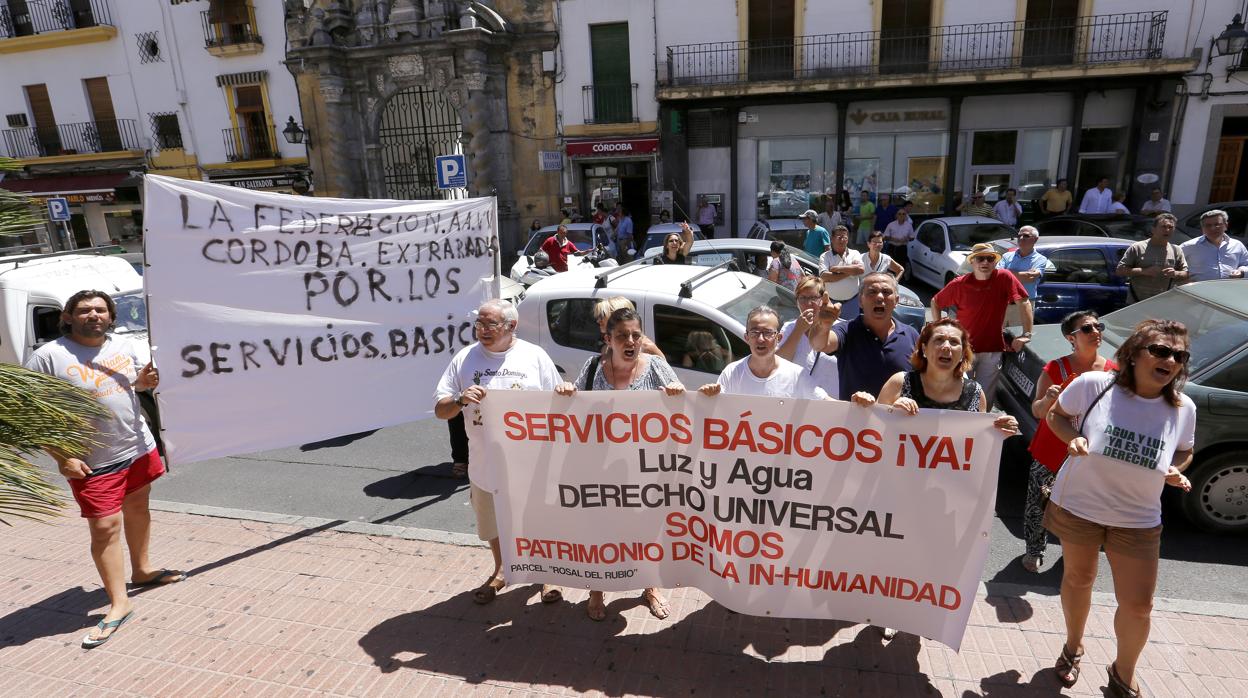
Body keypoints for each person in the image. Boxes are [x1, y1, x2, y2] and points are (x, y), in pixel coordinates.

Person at [1043, 319, 1195, 697]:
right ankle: (1073, 646)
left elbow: (1184, 449)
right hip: (1080, 503)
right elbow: (1056, 415)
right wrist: (1073, 438)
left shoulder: (1183, 407)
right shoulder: (1095, 385)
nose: (1170, 360)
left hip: (1138, 517)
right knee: (1079, 578)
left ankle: (1123, 672)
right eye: (1160, 351)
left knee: (1139, 605)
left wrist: (1175, 468)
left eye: (1179, 356)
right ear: (1133, 354)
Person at [25, 290, 182, 649]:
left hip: (138, 447)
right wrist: (61, 457)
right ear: (68, 317)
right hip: (92, 460)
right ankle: (119, 604)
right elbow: (32, 415)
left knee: (139, 508)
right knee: (104, 529)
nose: (93, 315)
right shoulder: (49, 357)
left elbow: (131, 386)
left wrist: (144, 383)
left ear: (111, 317)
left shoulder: (123, 346)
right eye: (84, 310)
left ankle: (142, 570)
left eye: (100, 309)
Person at [872, 317, 1020, 640]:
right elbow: (870, 433)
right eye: (939, 340)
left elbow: (976, 446)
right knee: (895, 555)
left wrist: (999, 433)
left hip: (946, 498)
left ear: (964, 352)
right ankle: (890, 610)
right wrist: (890, 411)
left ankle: (921, 612)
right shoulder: (900, 383)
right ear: (924, 348)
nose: (946, 347)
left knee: (932, 557)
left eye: (955, 342)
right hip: (898, 490)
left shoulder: (975, 393)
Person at [434, 300, 563, 606]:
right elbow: (441, 410)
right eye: (478, 324)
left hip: (531, 465)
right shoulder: (465, 358)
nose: (482, 330)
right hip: (485, 465)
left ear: (511, 326)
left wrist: (566, 393)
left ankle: (548, 573)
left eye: (490, 324)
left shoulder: (534, 356)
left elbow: (559, 403)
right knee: (492, 522)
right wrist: (460, 399)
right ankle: (502, 569)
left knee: (539, 520)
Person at [556, 308, 682, 621]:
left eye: (636, 335)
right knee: (600, 531)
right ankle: (597, 590)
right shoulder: (592, 367)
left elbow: (683, 408)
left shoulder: (656, 367)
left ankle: (650, 586)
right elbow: (575, 408)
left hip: (646, 470)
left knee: (647, 530)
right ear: (608, 339)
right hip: (600, 471)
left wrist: (676, 395)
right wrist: (566, 392)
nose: (630, 341)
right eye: (622, 335)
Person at [1020, 311, 1117, 574]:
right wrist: (1048, 399)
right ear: (1070, 338)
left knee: (1085, 506)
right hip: (1052, 449)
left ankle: (1075, 552)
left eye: (1098, 326)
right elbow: (1038, 411)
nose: (1095, 332)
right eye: (1087, 328)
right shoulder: (1056, 368)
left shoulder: (1114, 371)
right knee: (1039, 501)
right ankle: (1034, 550)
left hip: (1091, 454)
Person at [931, 243, 1033, 410]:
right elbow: (936, 302)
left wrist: (1026, 334)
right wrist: (940, 329)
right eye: (980, 259)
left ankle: (980, 426)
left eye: (990, 258)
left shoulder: (1004, 277)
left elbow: (1024, 302)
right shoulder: (959, 284)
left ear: (995, 262)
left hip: (992, 349)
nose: (985, 262)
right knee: (958, 397)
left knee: (984, 400)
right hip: (962, 350)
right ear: (972, 262)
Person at [810, 272, 919, 401]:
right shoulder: (847, 330)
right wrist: (823, 324)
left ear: (896, 300)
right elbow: (819, 344)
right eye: (872, 292)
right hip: (854, 414)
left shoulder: (911, 335)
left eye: (886, 292)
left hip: (900, 413)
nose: (880, 297)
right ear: (860, 301)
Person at [699, 306, 835, 401]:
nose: (760, 339)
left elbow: (827, 404)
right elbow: (715, 410)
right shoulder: (731, 373)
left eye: (768, 333)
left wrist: (851, 407)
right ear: (747, 337)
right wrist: (704, 396)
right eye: (754, 332)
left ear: (778, 338)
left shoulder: (797, 375)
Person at [777, 276, 841, 399]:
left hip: (832, 402)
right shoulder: (790, 327)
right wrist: (798, 330)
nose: (808, 303)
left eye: (813, 298)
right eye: (803, 298)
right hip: (798, 400)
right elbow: (779, 363)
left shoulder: (838, 329)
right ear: (797, 302)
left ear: (823, 299)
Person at [1117, 213, 1189, 301]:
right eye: (1163, 227)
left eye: (1171, 227)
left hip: (1163, 302)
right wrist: (1144, 271)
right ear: (1153, 230)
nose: (1167, 230)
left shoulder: (1176, 250)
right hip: (1137, 302)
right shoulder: (1137, 247)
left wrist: (1175, 273)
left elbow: (1186, 274)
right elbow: (1120, 270)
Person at [998, 225, 1049, 327]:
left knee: (1020, 334)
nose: (1021, 238)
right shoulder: (1007, 256)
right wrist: (1025, 274)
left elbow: (1031, 278)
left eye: (1026, 236)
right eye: (1019, 236)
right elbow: (998, 275)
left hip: (1024, 304)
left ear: (1035, 239)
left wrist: (1007, 273)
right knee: (998, 335)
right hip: (1003, 303)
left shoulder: (1041, 259)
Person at [1179, 209, 1248, 281]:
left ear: (1226, 225)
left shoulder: (1237, 245)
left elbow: (1246, 264)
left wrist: (1241, 272)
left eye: (1217, 224)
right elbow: (1177, 267)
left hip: (1230, 287)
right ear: (1202, 228)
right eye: (1208, 225)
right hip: (1199, 287)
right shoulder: (1188, 246)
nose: (1212, 228)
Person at [820, 225, 865, 320]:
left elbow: (860, 269)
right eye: (839, 237)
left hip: (852, 302)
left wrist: (837, 269)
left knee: (852, 327)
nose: (842, 240)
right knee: (831, 327)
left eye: (845, 237)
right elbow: (824, 277)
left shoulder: (855, 253)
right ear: (832, 239)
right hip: (831, 303)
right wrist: (851, 271)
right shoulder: (825, 256)